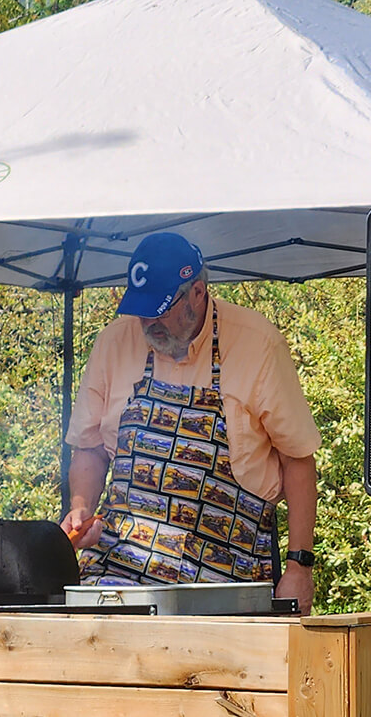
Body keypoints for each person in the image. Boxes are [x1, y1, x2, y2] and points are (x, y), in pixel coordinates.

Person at [60, 232, 320, 613]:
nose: (148, 323)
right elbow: (90, 447)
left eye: (160, 309)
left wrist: (299, 566)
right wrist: (81, 506)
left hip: (226, 570)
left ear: (197, 292)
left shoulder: (258, 344)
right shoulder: (114, 343)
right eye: (141, 310)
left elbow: (298, 461)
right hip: (122, 567)